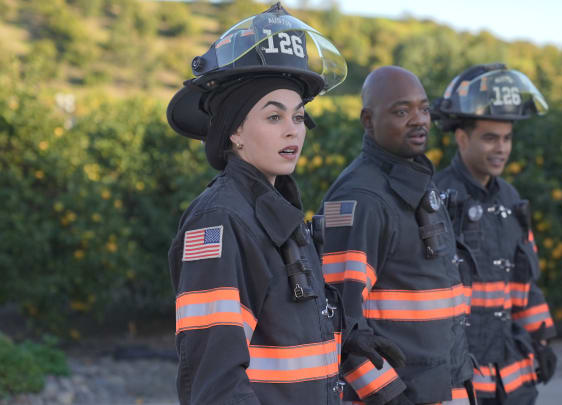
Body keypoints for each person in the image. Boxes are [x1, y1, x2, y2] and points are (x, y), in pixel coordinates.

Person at [165, 4, 403, 404]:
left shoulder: (281, 216)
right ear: (234, 131)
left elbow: (293, 337)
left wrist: (353, 344)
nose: (292, 131)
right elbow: (216, 381)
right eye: (274, 118)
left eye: (298, 117)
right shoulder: (221, 221)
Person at [319, 65, 475, 405]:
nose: (418, 119)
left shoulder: (416, 181)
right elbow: (335, 318)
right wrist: (388, 396)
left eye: (424, 108)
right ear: (367, 120)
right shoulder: (360, 197)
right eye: (402, 111)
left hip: (442, 385)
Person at [431, 64, 558, 405]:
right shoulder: (435, 198)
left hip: (511, 375)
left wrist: (541, 340)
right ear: (462, 138)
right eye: (490, 137)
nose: (501, 148)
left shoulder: (511, 200)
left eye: (507, 138)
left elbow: (524, 280)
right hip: (461, 374)